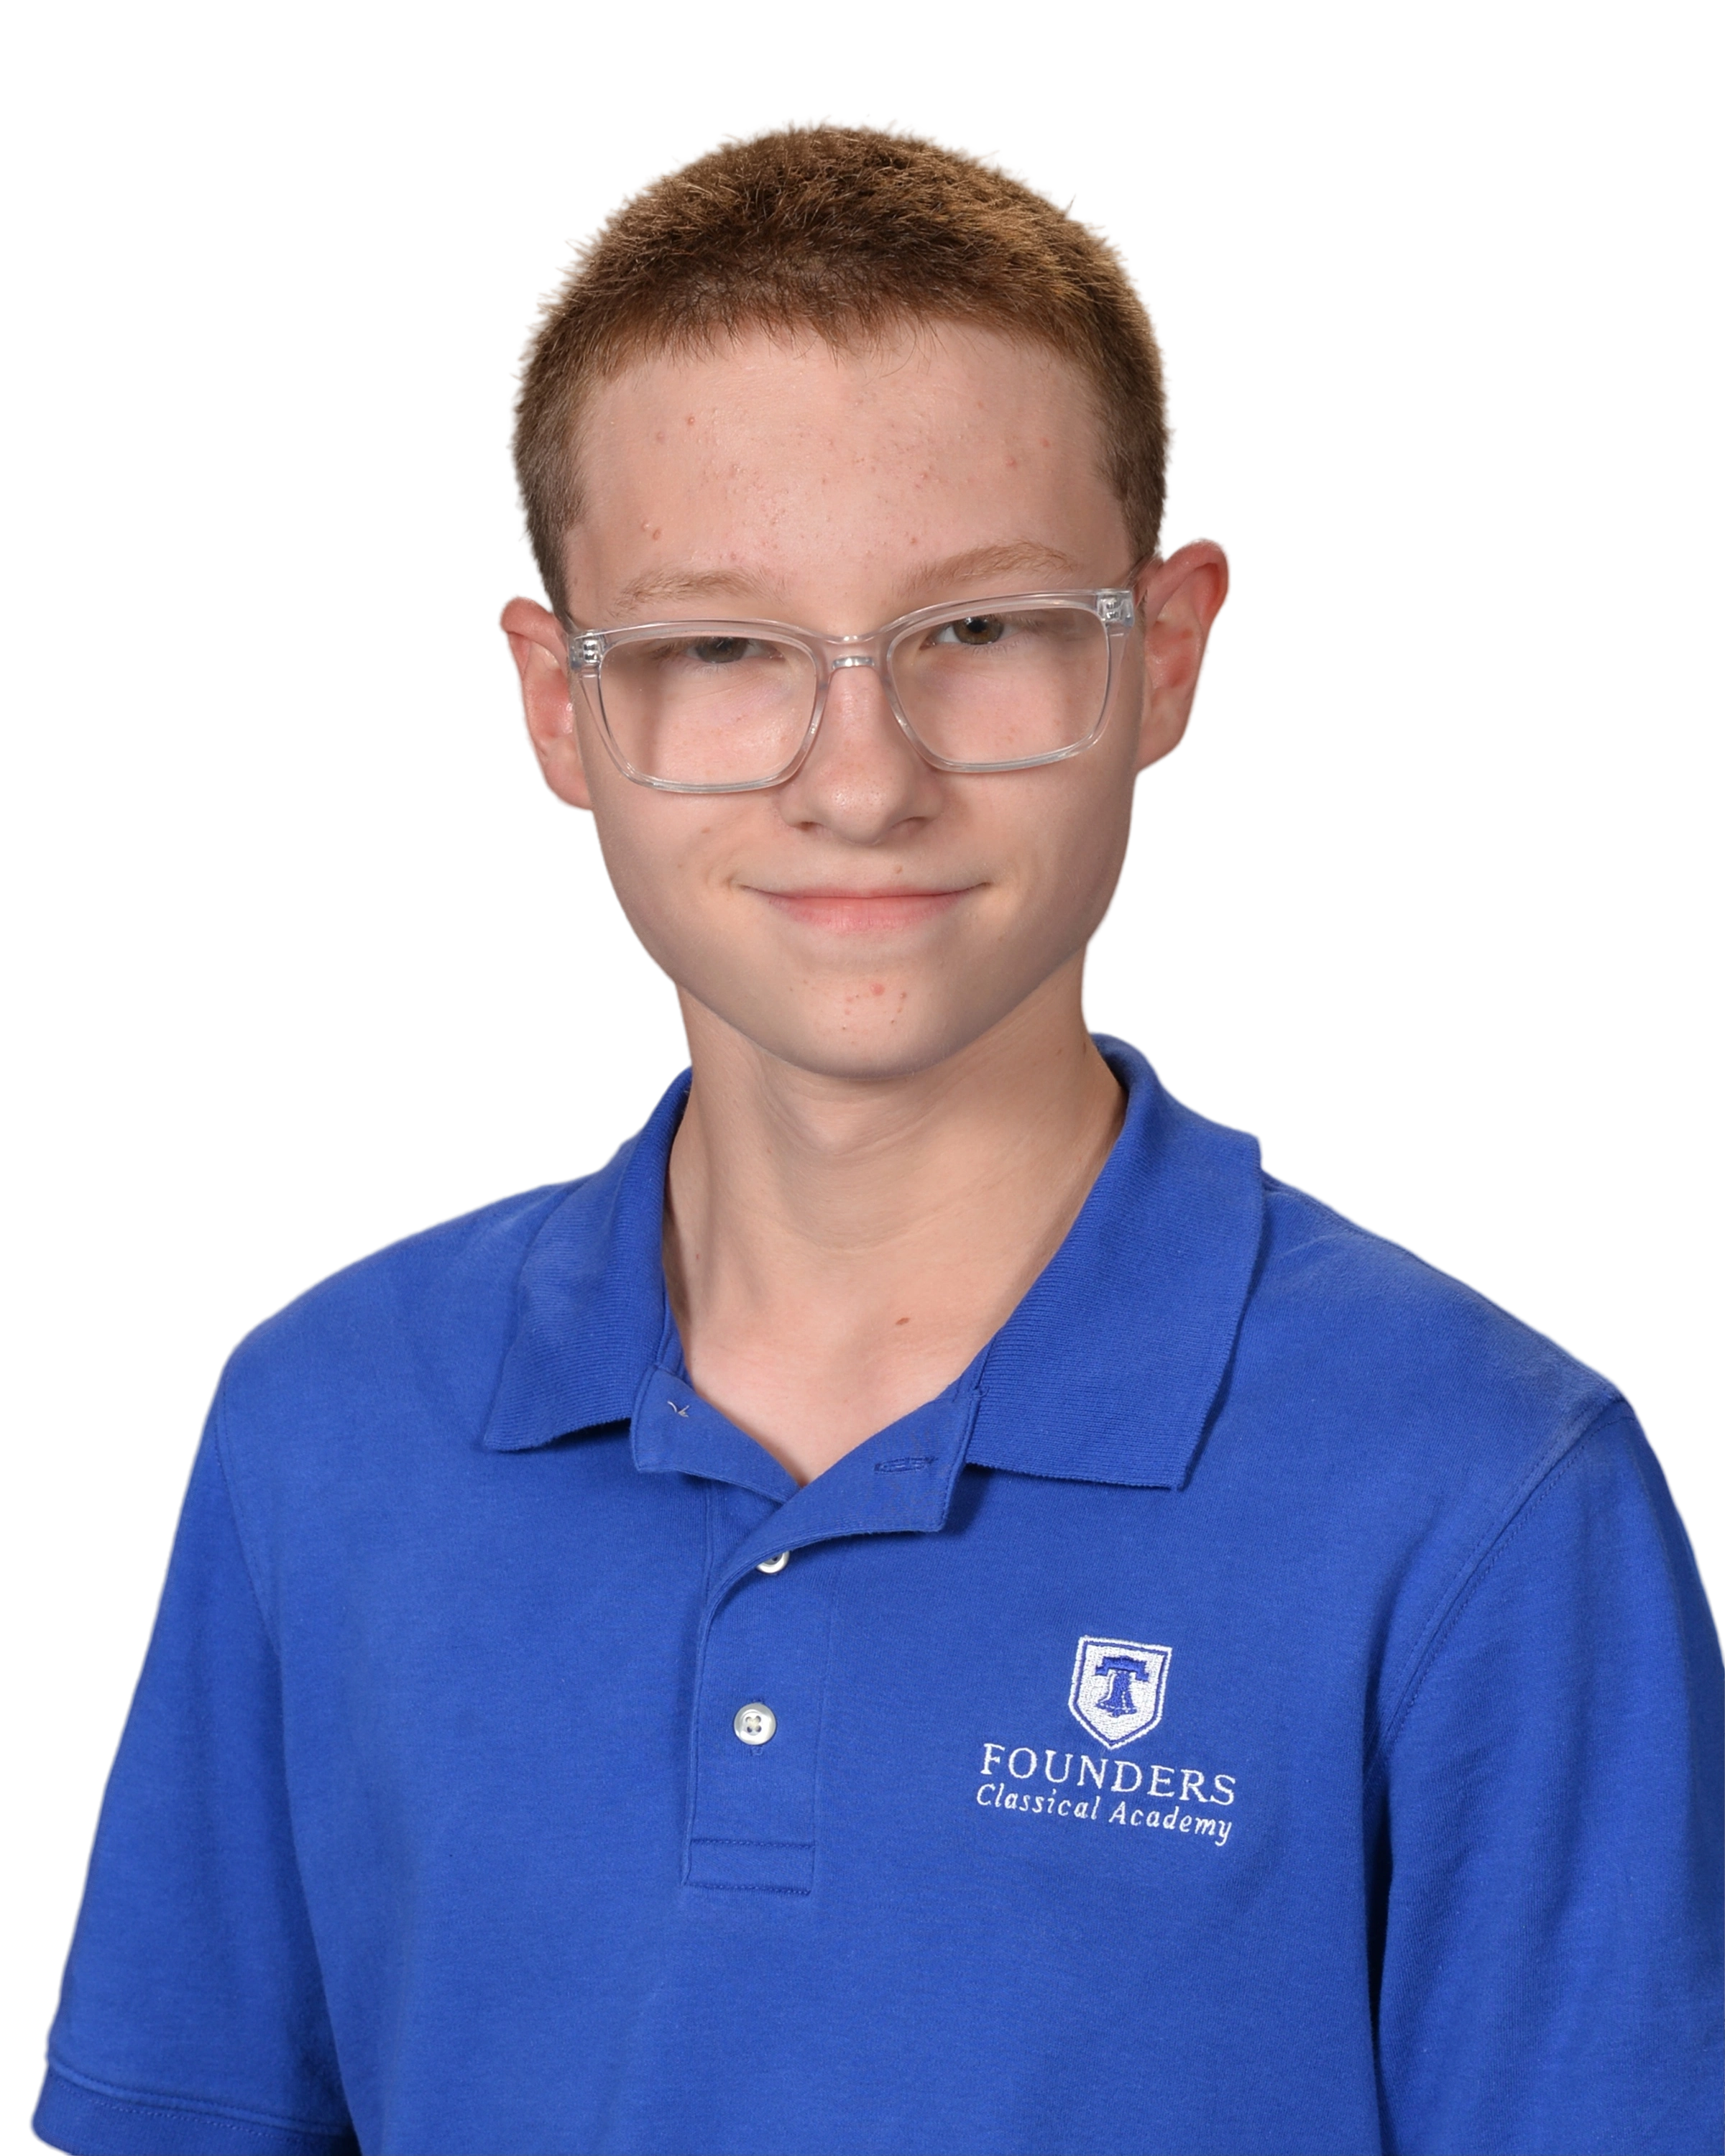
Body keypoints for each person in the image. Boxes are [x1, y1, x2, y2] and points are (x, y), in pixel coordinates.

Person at [29, 111, 1721, 2156]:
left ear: (1169, 653)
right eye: (720, 647)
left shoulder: (1486, 1496)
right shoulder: (324, 1425)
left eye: (981, 631)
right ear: (557, 705)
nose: (860, 779)